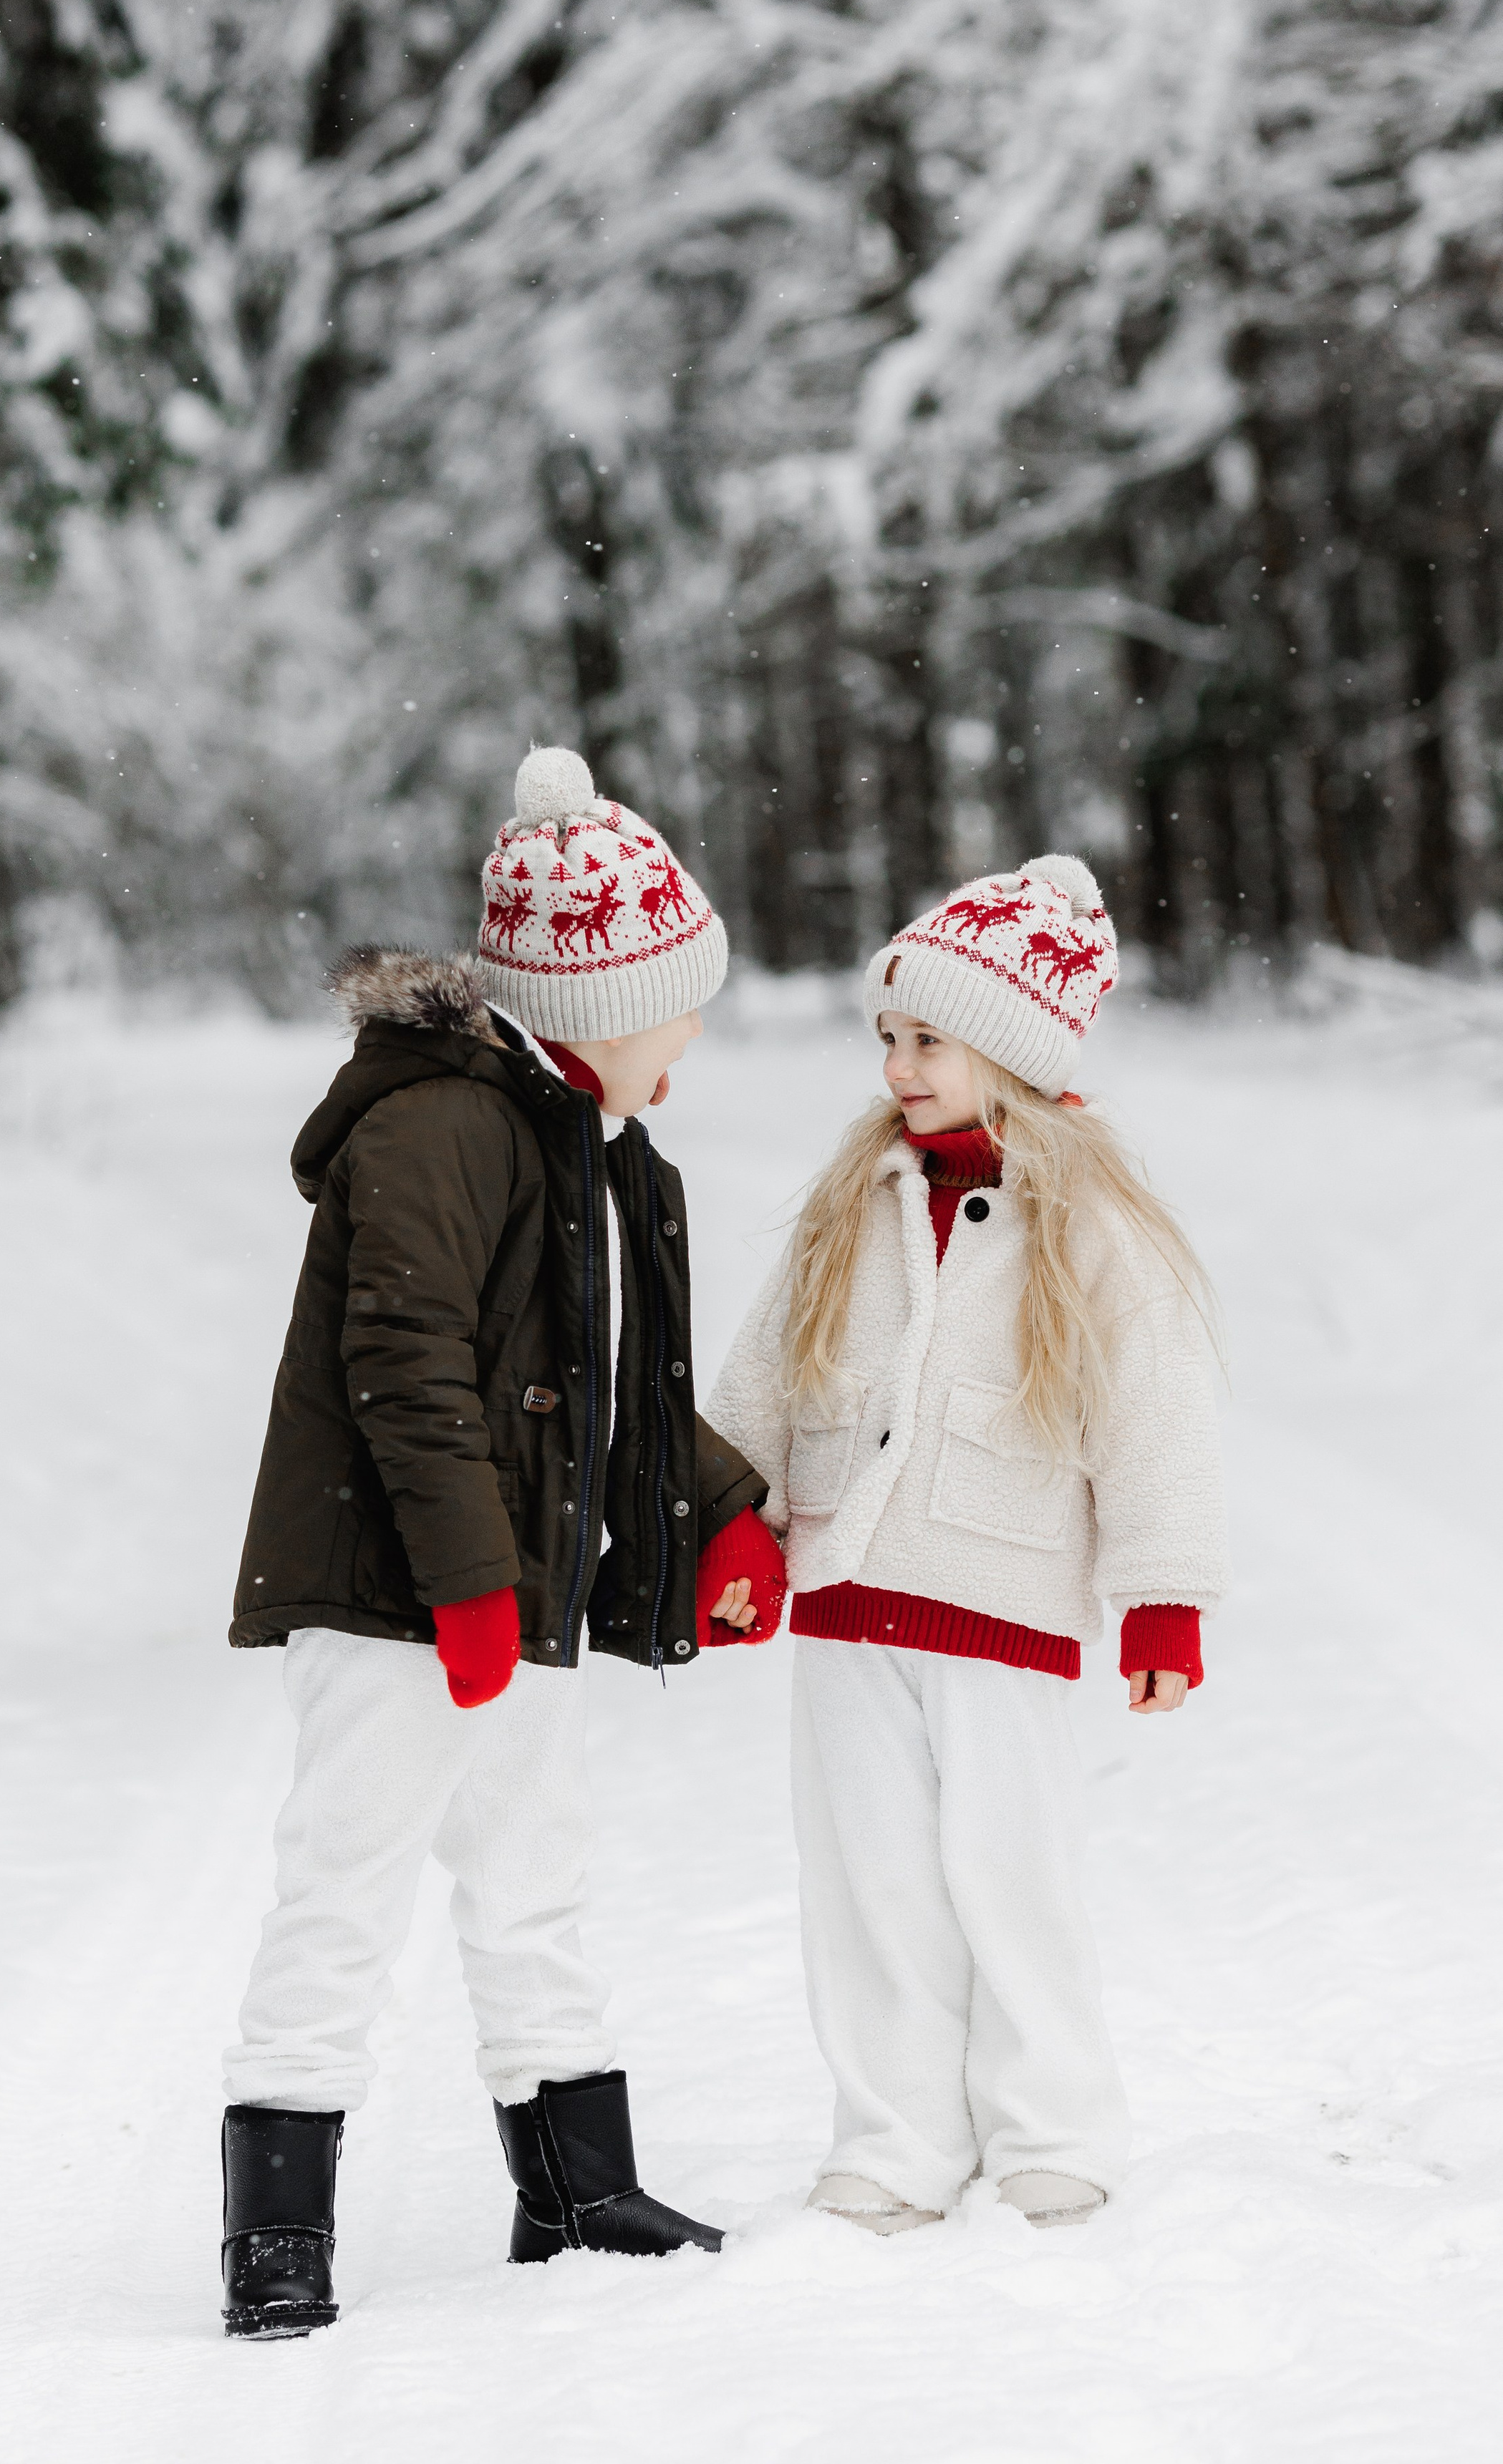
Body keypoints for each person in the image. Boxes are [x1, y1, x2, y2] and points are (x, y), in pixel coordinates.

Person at [218, 746, 786, 2337]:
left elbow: (615, 1393)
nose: (689, 1047)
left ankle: (574, 2182)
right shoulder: (440, 1133)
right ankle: (276, 2237)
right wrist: (467, 1587)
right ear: (599, 1011)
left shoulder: (600, 1156)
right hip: (400, 1598)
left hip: (509, 1594)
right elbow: (401, 1374)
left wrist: (716, 1510)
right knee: (343, 1884)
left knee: (536, 1873)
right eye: (680, 1012)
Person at [707, 853, 1227, 2235]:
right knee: (867, 1875)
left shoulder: (1095, 1231)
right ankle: (893, 2144)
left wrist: (1160, 1600)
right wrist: (728, 1526)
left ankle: (1053, 2125)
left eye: (928, 1037)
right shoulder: (851, 1203)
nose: (899, 1063)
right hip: (844, 1600)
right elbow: (764, 1378)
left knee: (1010, 1868)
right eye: (888, 1034)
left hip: (1001, 1596)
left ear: (1008, 1049)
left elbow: (1158, 1420)